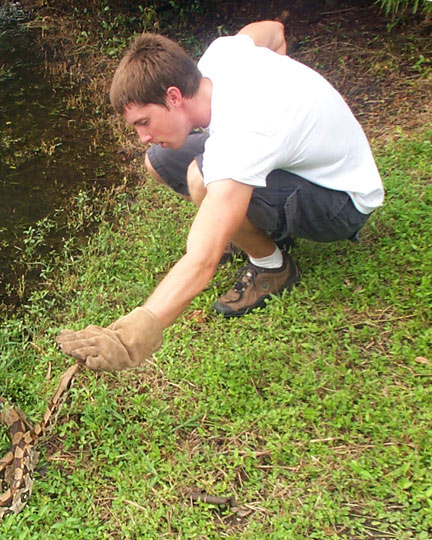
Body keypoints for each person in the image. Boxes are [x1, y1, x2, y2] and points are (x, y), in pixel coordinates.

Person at [57, 20, 384, 371]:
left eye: (144, 122)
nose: (142, 136)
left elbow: (202, 260)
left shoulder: (244, 136)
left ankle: (273, 266)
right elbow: (273, 31)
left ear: (173, 96)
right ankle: (246, 227)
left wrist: (130, 336)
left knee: (202, 179)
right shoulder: (219, 57)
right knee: (159, 160)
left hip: (341, 202)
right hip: (297, 164)